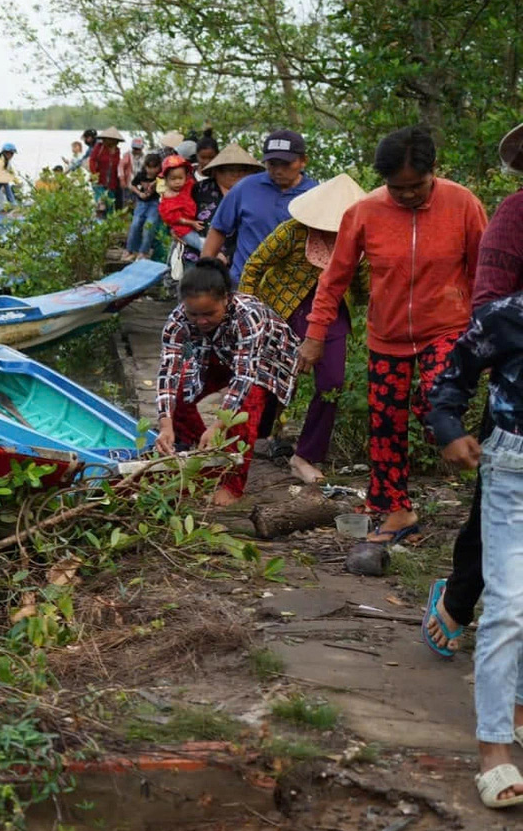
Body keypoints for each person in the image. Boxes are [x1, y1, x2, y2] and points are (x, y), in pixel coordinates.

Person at [300, 125, 486, 547]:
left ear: (433, 171)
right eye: (395, 188)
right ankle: (398, 510)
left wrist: (487, 332)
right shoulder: (364, 212)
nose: (406, 196)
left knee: (437, 398)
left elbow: (482, 273)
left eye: (415, 187)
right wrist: (315, 333)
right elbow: (334, 279)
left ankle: (469, 461)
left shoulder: (462, 204)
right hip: (387, 335)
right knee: (385, 423)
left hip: (448, 326)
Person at [426, 122, 523, 659]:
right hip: (515, 398)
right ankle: (459, 604)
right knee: (494, 515)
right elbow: (487, 308)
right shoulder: (514, 215)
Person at [425, 287, 523, 806]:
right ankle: (494, 750)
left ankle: (518, 712)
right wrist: (448, 428)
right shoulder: (508, 317)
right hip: (514, 468)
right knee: (508, 607)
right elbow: (451, 379)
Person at [238, 173, 369, 484]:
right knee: (276, 378)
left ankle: (305, 455)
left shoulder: (361, 242)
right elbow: (255, 265)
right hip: (285, 309)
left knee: (332, 383)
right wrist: (247, 308)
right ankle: (253, 436)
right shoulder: (293, 233)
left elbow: (365, 286)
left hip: (333, 314)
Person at [153, 260, 300, 507]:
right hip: (215, 353)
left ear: (226, 299)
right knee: (180, 394)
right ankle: (204, 457)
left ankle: (233, 484)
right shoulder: (177, 321)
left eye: (209, 313)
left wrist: (219, 425)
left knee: (245, 411)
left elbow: (244, 377)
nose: (200, 321)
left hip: (266, 359)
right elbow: (169, 372)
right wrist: (165, 426)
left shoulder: (247, 314)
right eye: (194, 314)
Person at [201, 129, 319, 282]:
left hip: (293, 288)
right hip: (245, 284)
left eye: (286, 164)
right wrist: (204, 273)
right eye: (272, 164)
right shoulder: (245, 188)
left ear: (303, 161)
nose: (278, 170)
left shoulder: (316, 194)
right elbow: (219, 229)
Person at [125, 151, 166, 259]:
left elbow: (165, 181)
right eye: (149, 167)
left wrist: (156, 183)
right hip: (141, 203)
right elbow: (132, 185)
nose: (152, 170)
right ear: (145, 166)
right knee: (135, 225)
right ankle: (131, 250)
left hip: (155, 203)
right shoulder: (141, 175)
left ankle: (143, 252)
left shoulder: (161, 177)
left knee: (149, 226)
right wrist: (139, 193)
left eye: (154, 167)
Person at [88, 128, 126, 213]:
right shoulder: (99, 147)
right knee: (101, 205)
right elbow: (92, 160)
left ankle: (107, 224)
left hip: (112, 183)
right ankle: (98, 223)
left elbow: (117, 165)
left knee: (110, 206)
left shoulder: (117, 151)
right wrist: (94, 174)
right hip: (99, 182)